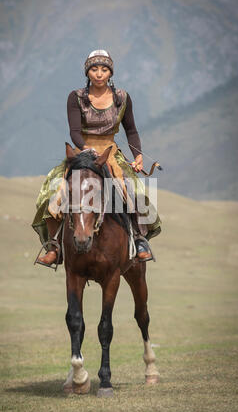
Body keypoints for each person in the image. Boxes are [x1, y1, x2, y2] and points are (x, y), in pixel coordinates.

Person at [32, 50, 161, 267]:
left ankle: (139, 241)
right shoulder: (76, 97)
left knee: (135, 192)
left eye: (104, 69)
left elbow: (132, 131)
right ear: (87, 72)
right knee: (53, 191)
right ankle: (54, 247)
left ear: (111, 72)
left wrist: (138, 156)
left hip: (110, 154)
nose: (99, 73)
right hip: (82, 152)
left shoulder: (122, 97)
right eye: (94, 69)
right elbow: (74, 132)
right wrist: (86, 149)